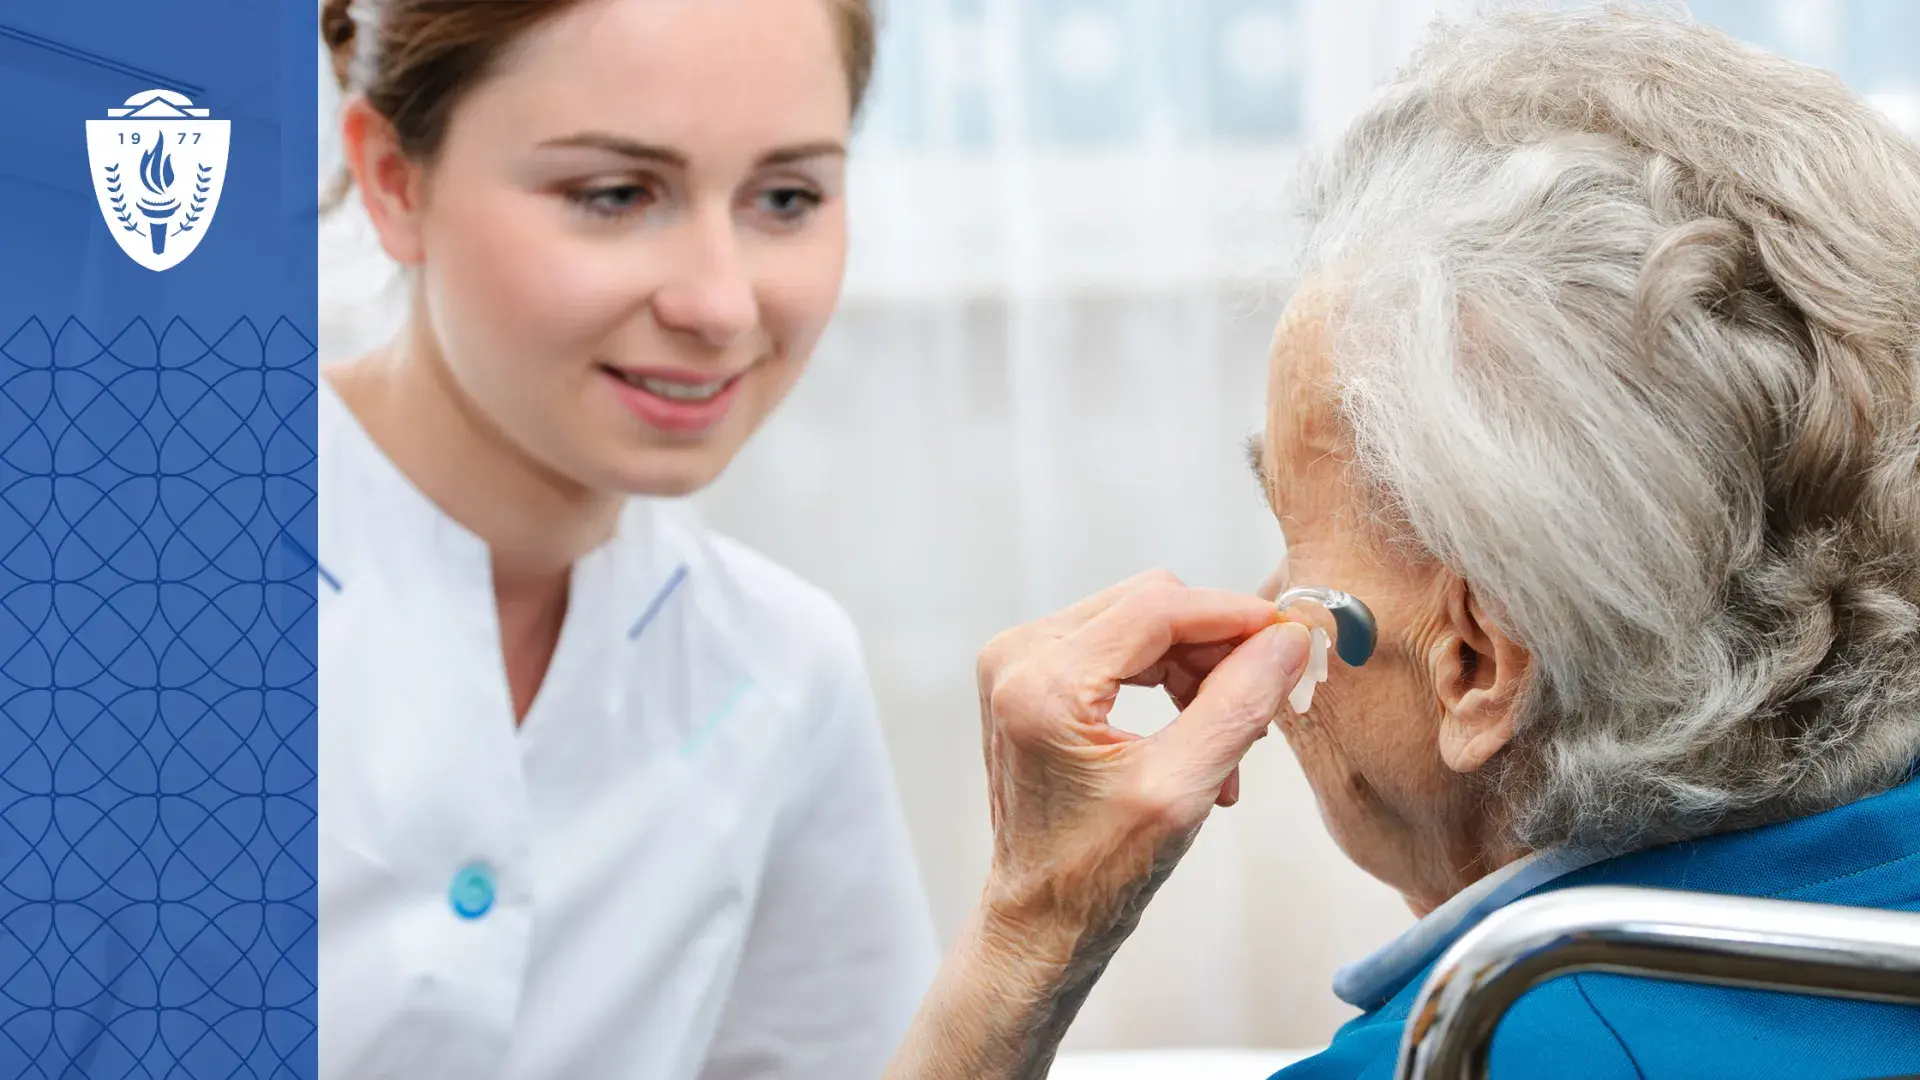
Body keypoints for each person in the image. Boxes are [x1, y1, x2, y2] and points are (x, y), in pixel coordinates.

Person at [883, 9, 1920, 1078]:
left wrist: (1030, 925)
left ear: (1473, 664)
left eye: (1296, 546)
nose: (1261, 596)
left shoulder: (1470, 1052)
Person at [315, 1, 936, 1077]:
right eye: (614, 195)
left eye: (785, 198)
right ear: (392, 181)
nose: (720, 303)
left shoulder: (781, 668)